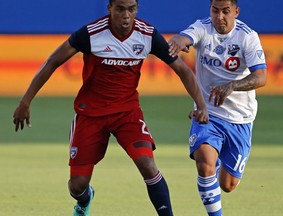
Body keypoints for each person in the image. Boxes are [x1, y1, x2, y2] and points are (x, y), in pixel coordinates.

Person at [13, 0, 209, 215]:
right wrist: (25, 101)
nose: (126, 15)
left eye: (131, 9)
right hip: (91, 114)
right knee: (77, 186)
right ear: (109, 8)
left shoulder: (147, 34)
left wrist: (201, 105)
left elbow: (182, 70)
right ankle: (85, 200)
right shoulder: (91, 33)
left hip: (127, 113)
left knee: (148, 165)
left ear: (137, 9)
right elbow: (53, 61)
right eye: (120, 9)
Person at [168, 0, 267, 215]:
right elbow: (185, 37)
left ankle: (221, 164)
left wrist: (233, 85)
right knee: (205, 164)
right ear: (210, 10)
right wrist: (177, 41)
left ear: (236, 12)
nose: (219, 17)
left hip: (240, 118)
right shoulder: (203, 27)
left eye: (225, 11)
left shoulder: (247, 36)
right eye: (215, 10)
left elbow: (261, 77)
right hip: (208, 113)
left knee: (228, 185)